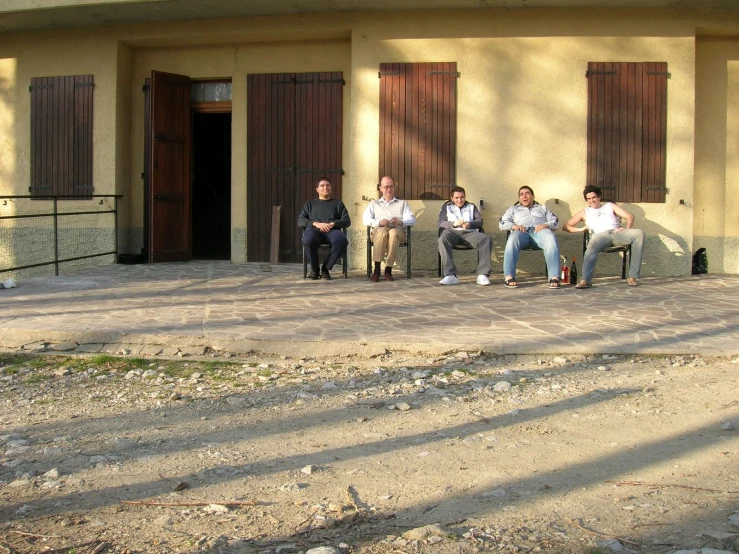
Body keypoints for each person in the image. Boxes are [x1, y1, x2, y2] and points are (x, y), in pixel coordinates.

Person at [563, 184, 645, 288]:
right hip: (600, 237)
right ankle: (585, 280)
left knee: (639, 233)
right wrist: (580, 229)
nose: (592, 201)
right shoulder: (584, 212)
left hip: (616, 233)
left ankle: (632, 276)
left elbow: (629, 216)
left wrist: (627, 228)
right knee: (592, 243)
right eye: (589, 199)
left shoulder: (610, 206)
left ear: (599, 197)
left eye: (594, 197)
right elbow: (566, 227)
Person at [499, 186, 561, 289]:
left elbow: (555, 221)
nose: (524, 196)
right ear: (519, 198)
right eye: (521, 194)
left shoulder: (542, 208)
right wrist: (513, 226)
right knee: (512, 237)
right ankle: (509, 276)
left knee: (550, 237)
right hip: (521, 232)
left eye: (527, 193)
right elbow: (502, 223)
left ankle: (554, 276)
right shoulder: (513, 209)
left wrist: (546, 225)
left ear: (533, 196)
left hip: (539, 232)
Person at [362, 176, 416, 282]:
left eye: (391, 186)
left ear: (394, 187)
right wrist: (379, 222)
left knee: (394, 232)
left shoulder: (403, 203)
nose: (389, 189)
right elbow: (365, 219)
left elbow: (412, 220)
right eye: (386, 187)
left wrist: (401, 222)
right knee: (382, 232)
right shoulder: (374, 204)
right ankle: (377, 270)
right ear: (380, 188)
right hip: (379, 229)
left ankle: (388, 269)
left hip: (397, 230)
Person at [298, 178, 351, 280]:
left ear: (330, 188)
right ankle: (315, 270)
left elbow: (346, 220)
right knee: (308, 239)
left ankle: (326, 268)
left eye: (327, 185)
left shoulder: (338, 204)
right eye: (322, 186)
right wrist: (316, 224)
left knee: (342, 240)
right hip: (314, 231)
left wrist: (333, 224)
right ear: (317, 189)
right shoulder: (309, 204)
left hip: (332, 231)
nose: (325, 187)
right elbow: (301, 220)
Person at [437, 187, 492, 285]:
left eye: (462, 197)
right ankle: (450, 275)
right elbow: (440, 222)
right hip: (452, 232)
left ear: (465, 197)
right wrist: (453, 224)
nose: (459, 200)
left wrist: (470, 224)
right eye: (457, 198)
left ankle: (482, 274)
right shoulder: (446, 207)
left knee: (486, 239)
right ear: (452, 198)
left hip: (469, 233)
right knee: (442, 239)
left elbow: (480, 222)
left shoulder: (471, 207)